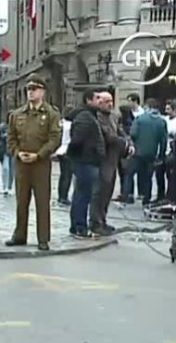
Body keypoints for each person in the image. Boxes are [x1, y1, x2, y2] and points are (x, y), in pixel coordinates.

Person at [5, 74, 61, 251]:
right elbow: (11, 138)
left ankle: (43, 238)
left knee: (42, 202)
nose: (31, 92)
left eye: (34, 89)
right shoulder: (17, 114)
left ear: (42, 91)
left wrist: (40, 154)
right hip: (22, 163)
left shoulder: (51, 114)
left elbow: (54, 139)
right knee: (21, 201)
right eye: (28, 89)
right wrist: (16, 152)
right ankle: (19, 235)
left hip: (40, 164)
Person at [90, 90, 132, 236]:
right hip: (102, 159)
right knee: (99, 192)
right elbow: (109, 136)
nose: (110, 104)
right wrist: (124, 144)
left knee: (108, 191)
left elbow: (121, 132)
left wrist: (129, 143)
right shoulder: (97, 117)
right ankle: (95, 222)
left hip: (113, 159)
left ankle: (103, 219)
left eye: (111, 101)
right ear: (99, 102)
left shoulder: (114, 116)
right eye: (106, 101)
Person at [66, 89, 105, 239]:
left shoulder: (90, 115)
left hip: (87, 160)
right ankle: (79, 227)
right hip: (85, 161)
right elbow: (77, 140)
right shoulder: (85, 116)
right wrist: (75, 154)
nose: (100, 100)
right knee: (82, 195)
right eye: (97, 98)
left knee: (81, 194)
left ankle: (76, 226)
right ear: (88, 100)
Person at [123, 98, 168, 206]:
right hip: (152, 154)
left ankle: (127, 196)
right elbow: (163, 141)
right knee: (148, 177)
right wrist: (161, 156)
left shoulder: (139, 119)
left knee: (129, 173)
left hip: (137, 153)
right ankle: (146, 199)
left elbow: (133, 134)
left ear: (147, 107)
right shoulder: (162, 122)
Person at [54, 106, 74, 206]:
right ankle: (63, 197)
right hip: (67, 150)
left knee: (63, 175)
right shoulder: (71, 125)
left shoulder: (61, 123)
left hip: (60, 151)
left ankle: (61, 195)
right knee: (67, 175)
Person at [0, 121, 14, 195]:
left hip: (13, 151)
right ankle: (5, 186)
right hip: (5, 151)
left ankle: (9, 186)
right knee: (6, 169)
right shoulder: (3, 127)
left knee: (12, 170)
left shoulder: (17, 127)